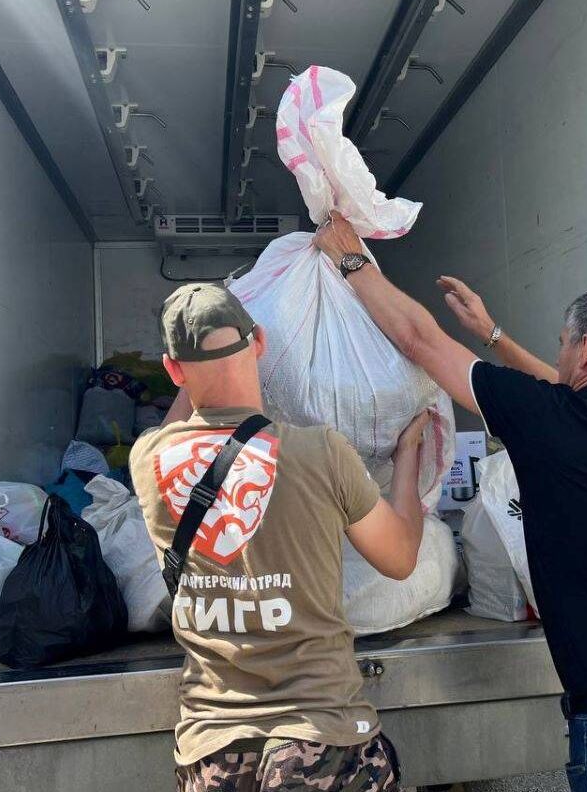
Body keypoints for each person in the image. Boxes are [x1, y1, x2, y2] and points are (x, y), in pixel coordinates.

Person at [315, 214, 587, 791]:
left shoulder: (557, 421)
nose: (560, 354)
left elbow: (419, 339)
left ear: (585, 349)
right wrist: (491, 336)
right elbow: (568, 394)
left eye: (565, 344)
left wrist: (350, 260)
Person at [129, 282, 426, 792]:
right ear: (260, 341)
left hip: (211, 748)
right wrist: (408, 455)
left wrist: (190, 364)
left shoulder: (148, 461)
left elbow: (178, 422)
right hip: (322, 734)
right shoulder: (321, 453)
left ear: (171, 370)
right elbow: (399, 558)